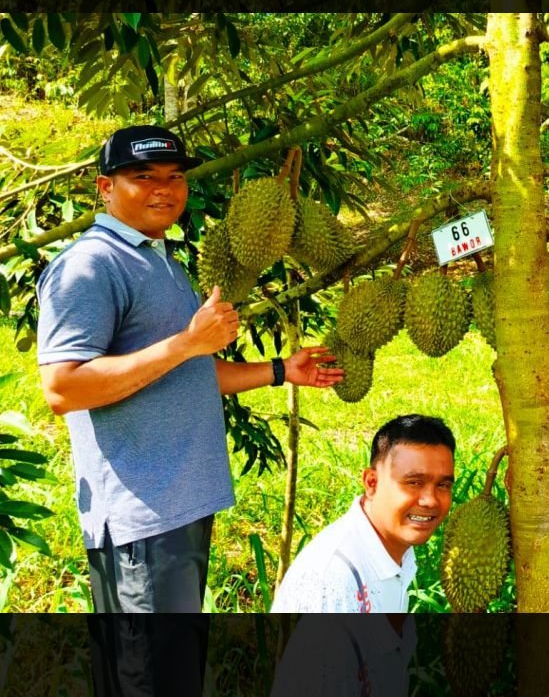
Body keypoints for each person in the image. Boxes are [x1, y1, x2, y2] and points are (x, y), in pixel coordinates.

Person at [36, 124, 345, 613]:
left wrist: (283, 369)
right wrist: (186, 342)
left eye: (175, 176)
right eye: (143, 176)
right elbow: (63, 389)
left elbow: (191, 371)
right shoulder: (89, 266)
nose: (163, 188)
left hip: (181, 508)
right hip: (141, 518)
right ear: (105, 187)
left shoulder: (161, 260)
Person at [271, 414, 456, 613]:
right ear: (371, 483)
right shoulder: (333, 580)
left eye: (443, 485)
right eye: (414, 483)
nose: (430, 500)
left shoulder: (395, 548)